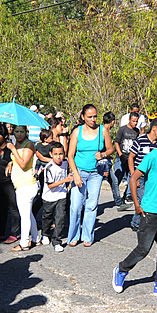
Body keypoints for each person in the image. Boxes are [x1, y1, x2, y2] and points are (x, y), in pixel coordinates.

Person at [112, 124, 157, 297]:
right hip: (149, 211)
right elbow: (134, 178)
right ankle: (121, 269)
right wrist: (137, 203)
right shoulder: (152, 156)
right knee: (143, 249)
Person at [67, 104, 115, 246]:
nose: (93, 119)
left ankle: (87, 236)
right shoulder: (77, 132)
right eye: (90, 117)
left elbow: (111, 148)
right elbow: (70, 155)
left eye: (95, 116)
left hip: (96, 173)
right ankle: (73, 235)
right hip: (79, 171)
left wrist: (104, 154)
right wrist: (75, 174)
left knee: (92, 205)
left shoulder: (103, 131)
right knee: (76, 205)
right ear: (83, 117)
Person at [6, 124, 40, 251]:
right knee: (28, 213)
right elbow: (17, 160)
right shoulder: (17, 144)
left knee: (24, 215)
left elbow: (24, 164)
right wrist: (10, 162)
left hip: (27, 185)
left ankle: (24, 242)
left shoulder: (29, 144)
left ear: (26, 132)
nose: (18, 134)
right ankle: (36, 238)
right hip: (19, 184)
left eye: (21, 131)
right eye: (16, 131)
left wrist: (13, 150)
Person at [129, 116, 157, 231]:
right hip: (140, 176)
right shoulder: (140, 140)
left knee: (148, 200)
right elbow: (131, 157)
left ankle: (138, 221)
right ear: (154, 129)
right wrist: (134, 176)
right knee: (143, 200)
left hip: (152, 178)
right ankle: (137, 223)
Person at [41, 142, 72, 252]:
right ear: (51, 154)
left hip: (61, 195)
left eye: (61, 154)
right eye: (56, 154)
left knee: (60, 217)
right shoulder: (49, 168)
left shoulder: (65, 163)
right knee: (47, 217)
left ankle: (57, 241)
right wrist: (65, 180)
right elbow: (50, 185)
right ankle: (45, 233)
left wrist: (67, 184)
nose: (59, 157)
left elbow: (68, 172)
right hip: (49, 197)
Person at [115, 110, 141, 206]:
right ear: (129, 120)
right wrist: (120, 154)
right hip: (121, 157)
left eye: (136, 121)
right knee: (118, 177)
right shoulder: (122, 129)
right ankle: (116, 196)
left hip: (131, 158)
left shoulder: (137, 131)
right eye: (133, 121)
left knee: (132, 175)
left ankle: (128, 195)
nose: (135, 123)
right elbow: (117, 142)